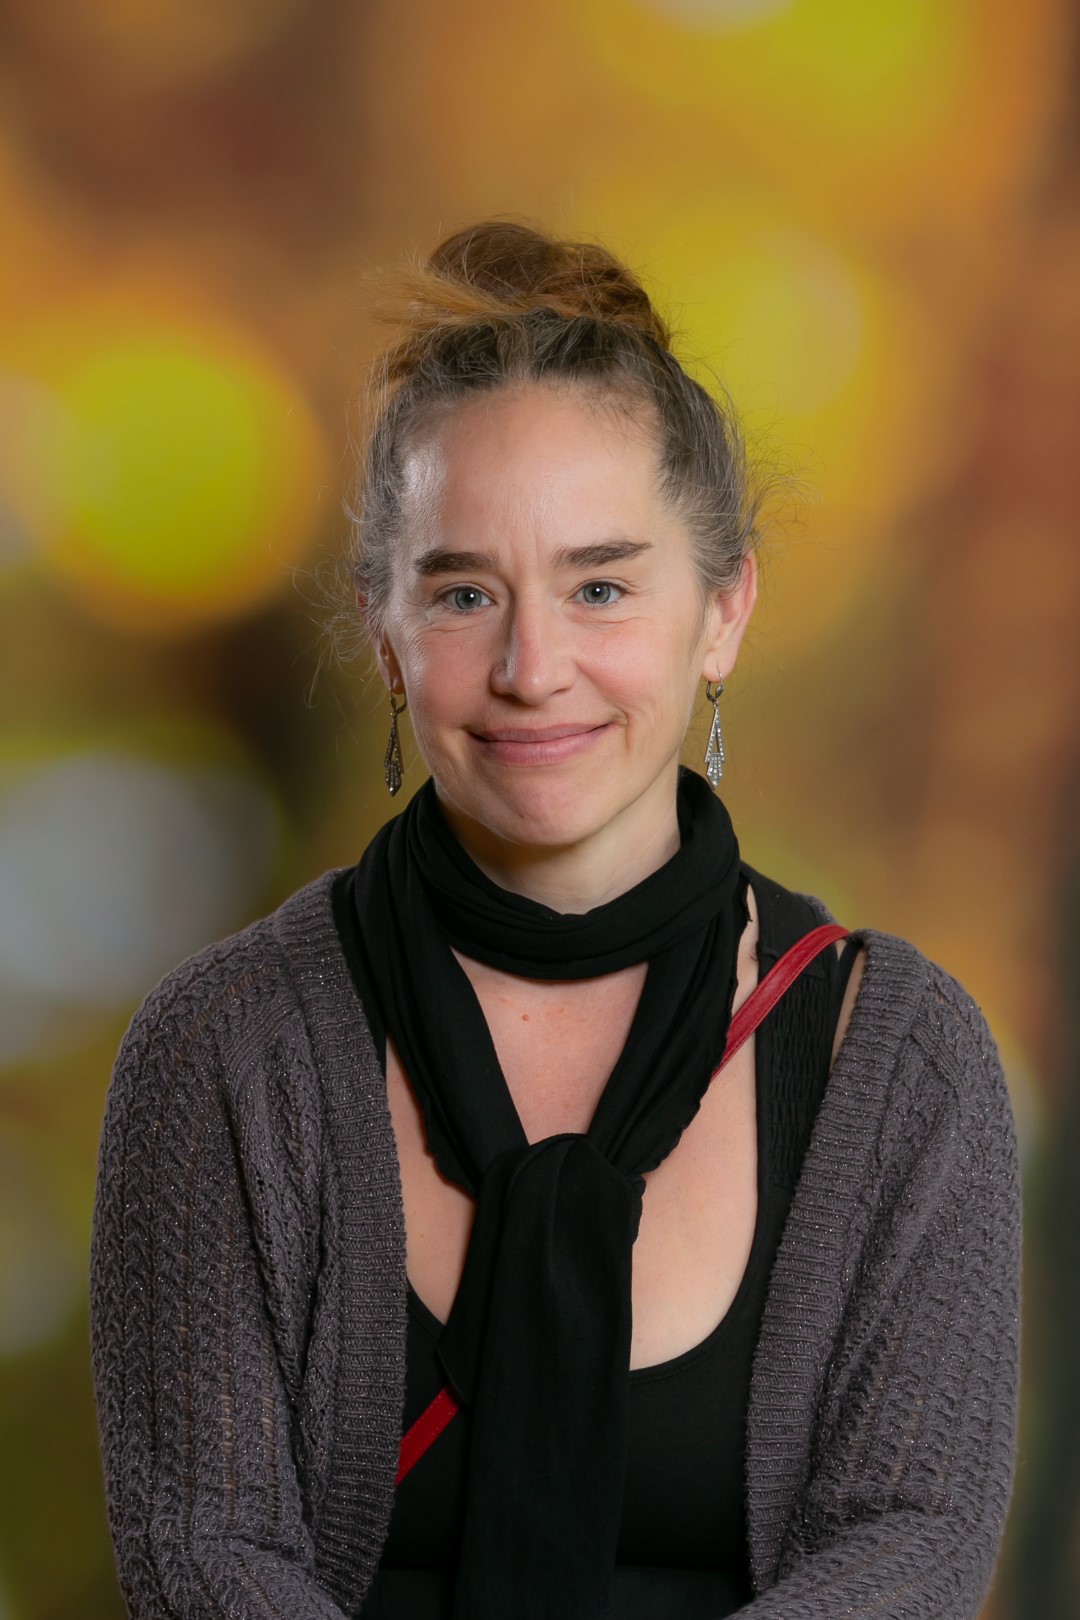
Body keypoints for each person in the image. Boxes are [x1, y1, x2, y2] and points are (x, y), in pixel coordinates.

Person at [88, 221, 1022, 1620]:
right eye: (465, 592)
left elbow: (913, 1547)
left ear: (723, 612)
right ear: (385, 634)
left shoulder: (896, 1064)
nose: (534, 668)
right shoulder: (222, 1051)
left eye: (601, 586)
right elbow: (203, 1560)